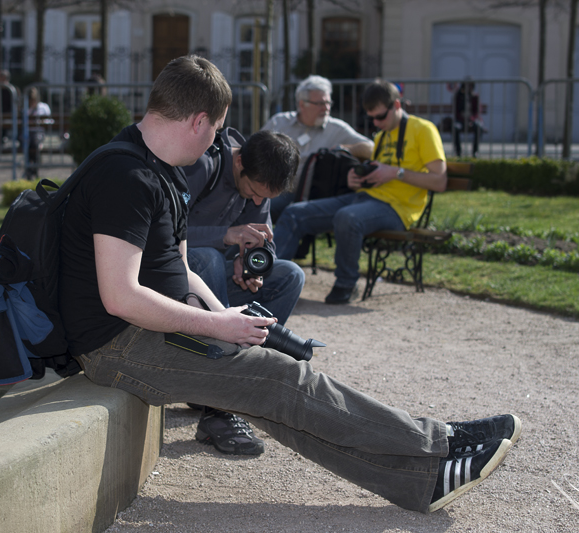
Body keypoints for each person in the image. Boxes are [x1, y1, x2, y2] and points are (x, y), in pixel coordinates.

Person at [57, 56, 519, 514]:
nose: (219, 139)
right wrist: (216, 327)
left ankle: (423, 481)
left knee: (275, 388)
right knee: (281, 377)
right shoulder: (126, 176)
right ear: (199, 121)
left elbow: (180, 270)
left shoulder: (164, 170)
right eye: (218, 128)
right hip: (117, 345)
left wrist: (227, 317)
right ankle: (439, 442)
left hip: (146, 329)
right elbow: (119, 297)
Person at [181, 128, 304, 455]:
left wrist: (248, 266)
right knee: (207, 259)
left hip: (220, 286)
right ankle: (217, 407)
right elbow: (161, 234)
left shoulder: (259, 182)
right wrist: (226, 236)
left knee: (290, 275)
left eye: (266, 198)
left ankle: (240, 379)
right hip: (178, 288)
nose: (258, 202)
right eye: (252, 191)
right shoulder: (200, 165)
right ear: (238, 162)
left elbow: (265, 241)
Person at [273, 80, 448, 305]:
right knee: (294, 213)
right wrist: (358, 180)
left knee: (348, 217)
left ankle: (346, 284)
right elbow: (379, 173)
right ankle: (270, 279)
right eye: (371, 118)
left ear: (396, 105)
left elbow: (439, 181)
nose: (375, 123)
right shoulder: (384, 134)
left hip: (399, 209)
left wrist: (396, 173)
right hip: (366, 198)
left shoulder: (423, 130)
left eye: (380, 117)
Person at [261, 75, 373, 222]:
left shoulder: (336, 129)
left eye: (328, 102)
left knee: (261, 210)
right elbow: (254, 148)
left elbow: (371, 148)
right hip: (268, 188)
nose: (326, 108)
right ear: (302, 104)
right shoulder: (280, 122)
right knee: (243, 207)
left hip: (303, 196)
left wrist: (345, 148)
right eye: (320, 103)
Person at [23, 86, 51, 178]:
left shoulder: (43, 107)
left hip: (38, 133)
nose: (32, 102)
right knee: (28, 143)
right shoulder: (25, 108)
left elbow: (49, 121)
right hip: (27, 134)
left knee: (34, 144)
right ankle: (32, 169)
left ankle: (31, 169)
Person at [453, 80, 484, 158]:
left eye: (470, 86)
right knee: (455, 128)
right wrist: (463, 119)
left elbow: (477, 112)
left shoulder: (475, 97)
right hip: (461, 120)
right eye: (466, 86)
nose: (468, 88)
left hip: (472, 120)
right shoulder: (458, 97)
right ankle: (458, 152)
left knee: (479, 127)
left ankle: (475, 152)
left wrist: (471, 119)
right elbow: (456, 111)